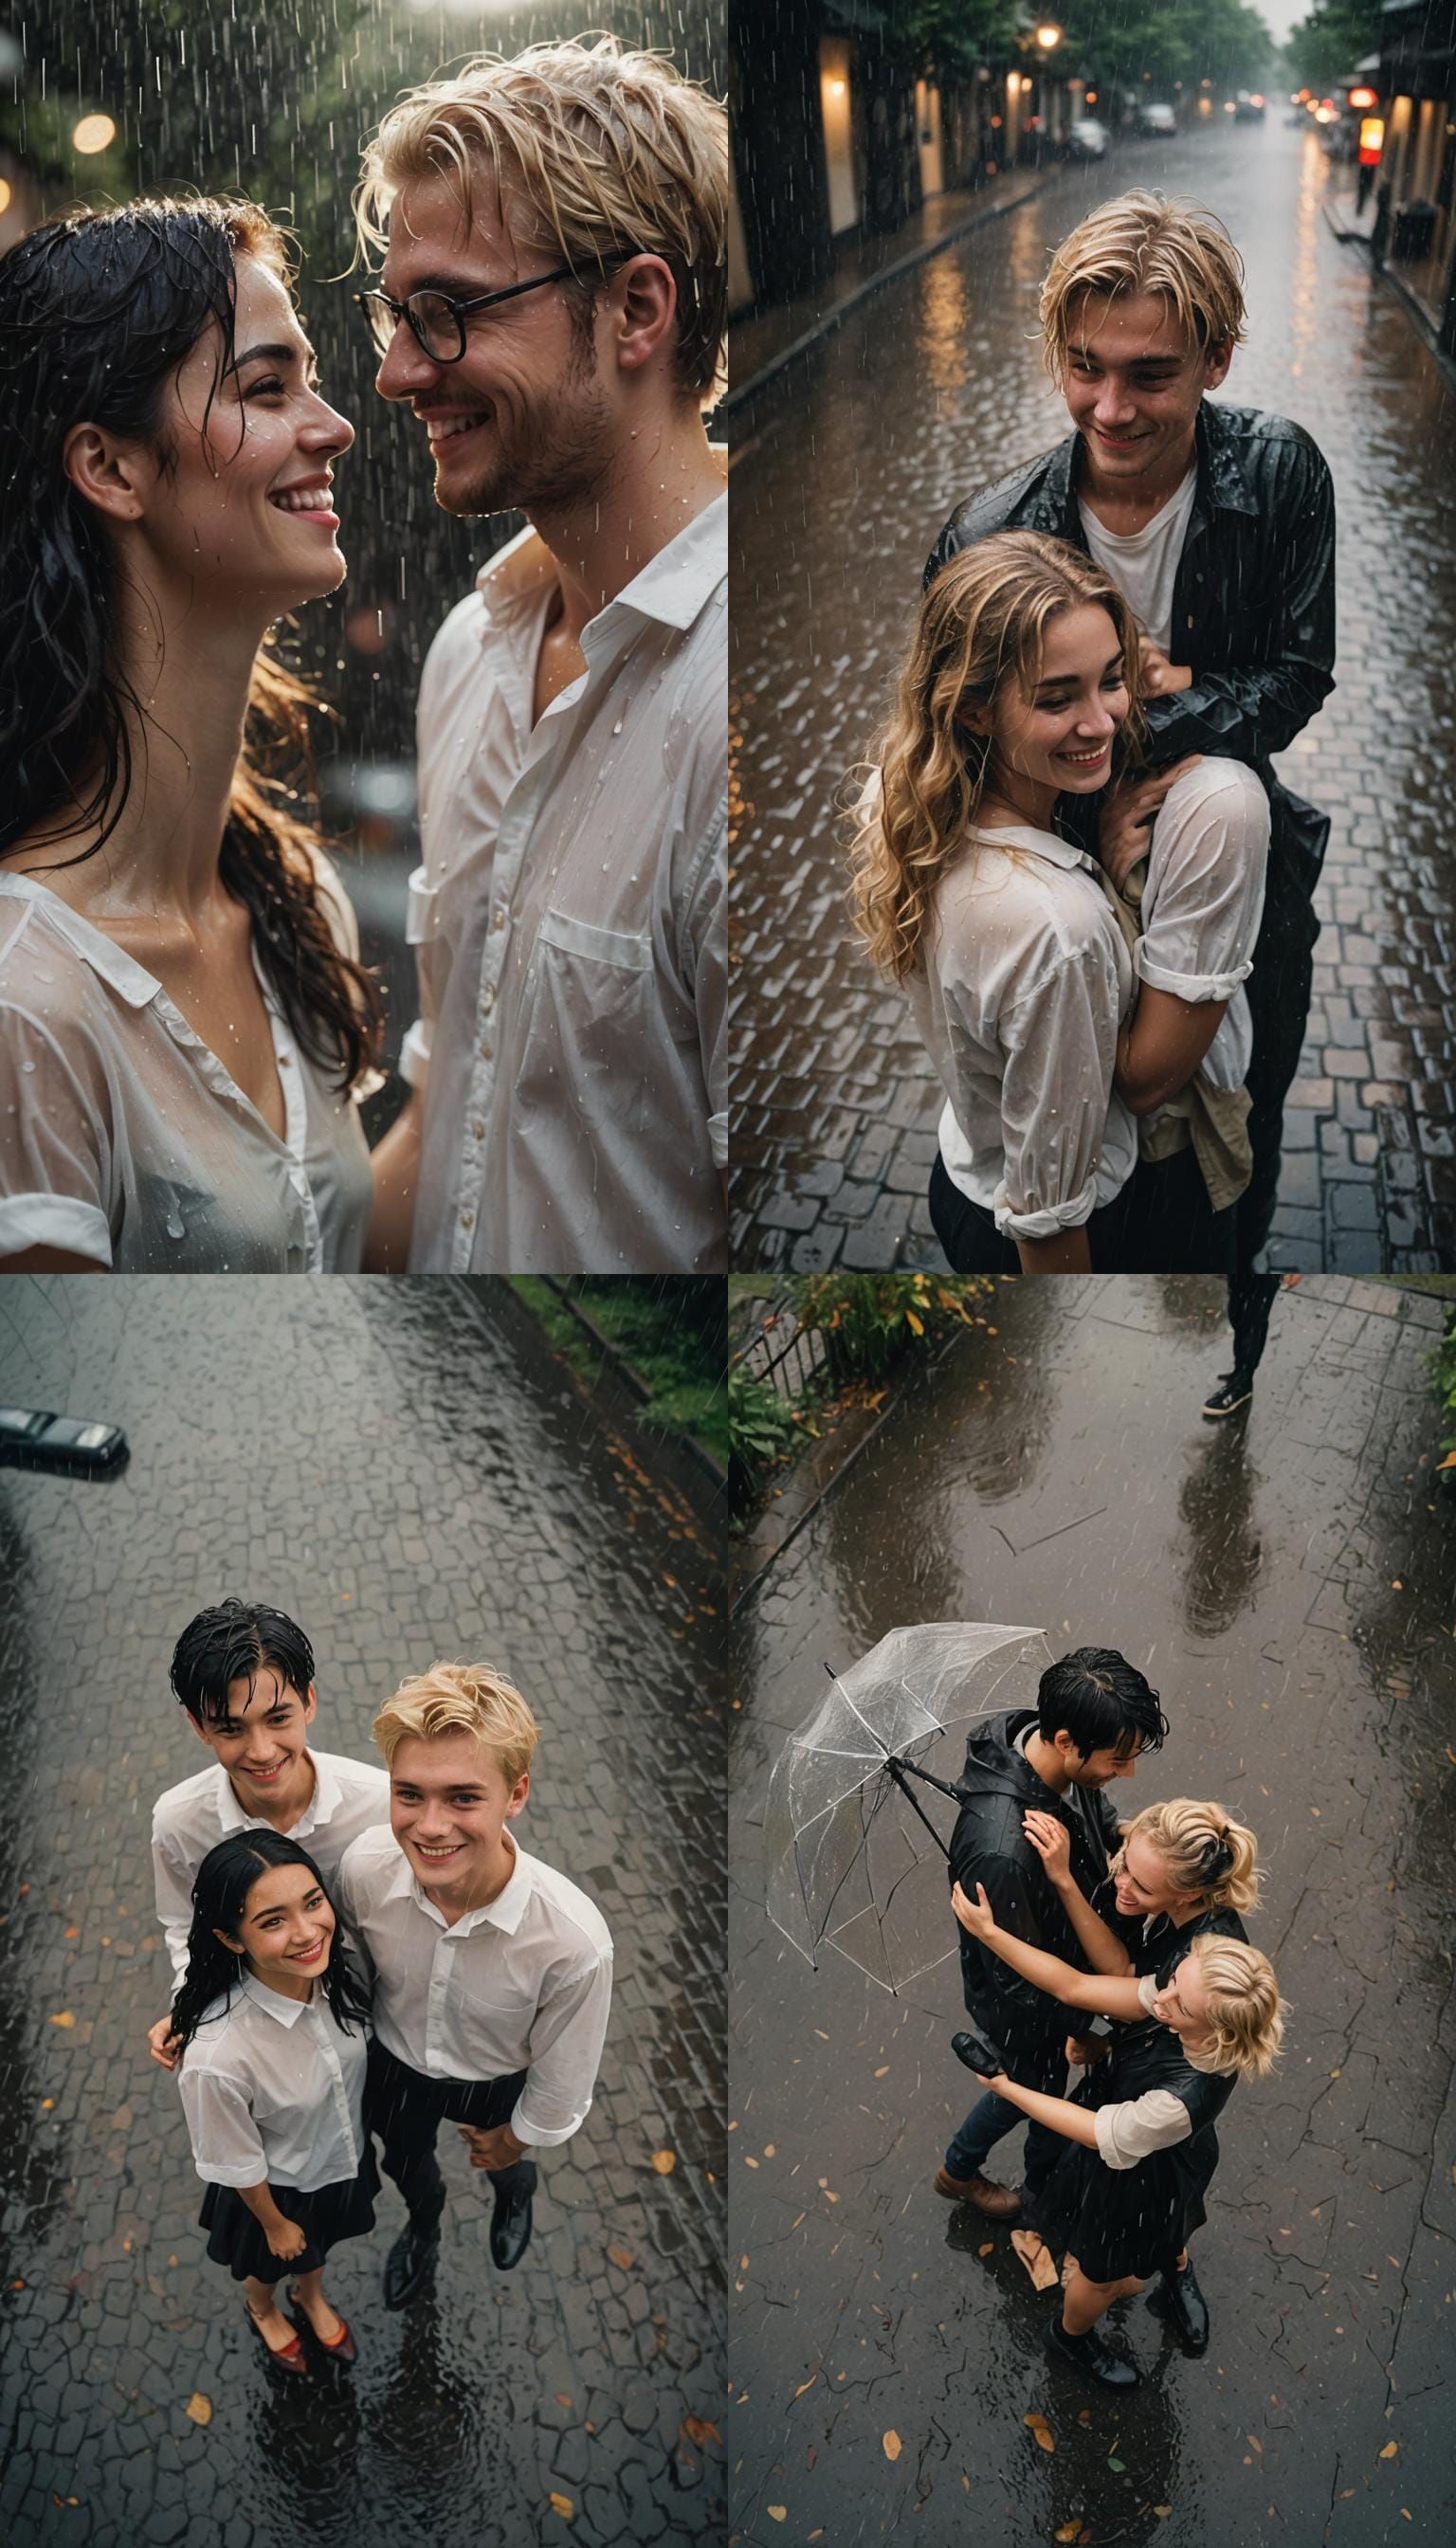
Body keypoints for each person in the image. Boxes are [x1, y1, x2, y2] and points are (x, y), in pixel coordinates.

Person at [356, 38, 728, 1277]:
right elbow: (445, 1108)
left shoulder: (742, 711)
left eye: (448, 314)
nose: (398, 370)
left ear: (635, 309)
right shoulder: (470, 650)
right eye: (395, 314)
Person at [929, 191, 1333, 1317]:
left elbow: (1300, 677)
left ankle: (1230, 1312)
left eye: (1151, 375)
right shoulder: (988, 532)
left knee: (1234, 1136)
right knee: (1064, 1126)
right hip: (1064, 866)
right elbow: (960, 742)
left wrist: (1157, 714)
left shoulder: (1282, 477)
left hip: (1238, 877)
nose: (1110, 408)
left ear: (1219, 357)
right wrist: (1096, 831)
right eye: (1084, 367)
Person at [0, 196, 385, 1273]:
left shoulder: (298, 902)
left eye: (309, 379)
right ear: (111, 468)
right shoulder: (26, 1009)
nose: (333, 425)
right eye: (268, 389)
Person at [850, 530, 1265, 1273]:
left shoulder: (908, 794)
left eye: (1112, 679)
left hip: (964, 1177)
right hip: (1067, 1240)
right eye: (1056, 698)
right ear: (975, 709)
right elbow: (1048, 1222)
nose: (1105, 722)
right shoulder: (1056, 929)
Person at [336, 1663, 612, 2307]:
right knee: (407, 2169)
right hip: (396, 2066)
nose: (430, 1827)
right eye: (409, 1795)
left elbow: (563, 2077)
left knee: (505, 2164)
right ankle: (423, 2229)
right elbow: (351, 1973)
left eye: (463, 1797)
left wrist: (514, 2137)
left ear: (515, 1794)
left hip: (495, 2084)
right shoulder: (364, 1869)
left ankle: (516, 2194)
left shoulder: (573, 1943)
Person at [951, 1876, 1283, 2390]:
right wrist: (990, 1933)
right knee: (1105, 2272)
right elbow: (1077, 1987)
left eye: (1180, 2003)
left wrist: (1007, 2087)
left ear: (1217, 2034)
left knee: (1112, 2268)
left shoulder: (1179, 2102)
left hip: (1145, 2171)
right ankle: (1072, 2334)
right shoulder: (1193, 2003)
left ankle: (1169, 2273)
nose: (1161, 1997)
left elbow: (1093, 2130)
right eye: (1173, 1982)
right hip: (1148, 2155)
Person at [1021, 1793, 1261, 2348]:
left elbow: (1108, 1984)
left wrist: (995, 1928)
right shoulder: (1184, 1908)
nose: (1121, 1883)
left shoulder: (1200, 1963)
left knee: (1118, 2253)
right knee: (1150, 2216)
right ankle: (1165, 2269)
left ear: (1190, 1892)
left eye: (1142, 1886)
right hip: (1143, 2096)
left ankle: (1148, 2284)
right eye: (1124, 1860)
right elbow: (1130, 1980)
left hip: (1159, 2116)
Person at [936, 1648, 1168, 2220]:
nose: (1127, 1771)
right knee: (1025, 2084)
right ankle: (958, 2171)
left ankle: (1031, 2170)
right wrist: (1082, 2024)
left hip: (1063, 1970)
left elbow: (1097, 1810)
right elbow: (1015, 1978)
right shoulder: (1003, 1851)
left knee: (1036, 2083)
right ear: (1066, 1741)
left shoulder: (1050, 1749)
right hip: (1027, 2013)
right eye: (1118, 1759)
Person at [171, 1831, 377, 2370]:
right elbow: (235, 2159)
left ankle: (309, 2296)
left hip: (342, 2159)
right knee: (268, 2262)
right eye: (272, 1921)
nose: (308, 1932)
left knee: (319, 2248)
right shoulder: (218, 2057)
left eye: (313, 1903)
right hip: (276, 2191)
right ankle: (262, 2308)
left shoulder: (342, 1973)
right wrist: (274, 2222)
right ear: (231, 1938)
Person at [148, 1600, 390, 2055]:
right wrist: (192, 2007)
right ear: (200, 1727)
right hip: (271, 2037)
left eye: (278, 1719)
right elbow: (185, 1926)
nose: (261, 1752)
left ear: (309, 1702)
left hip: (383, 2023)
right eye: (231, 1729)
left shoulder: (381, 1803)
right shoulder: (179, 1822)